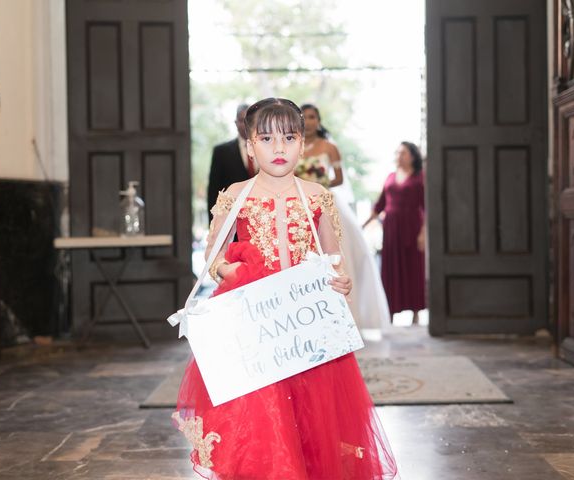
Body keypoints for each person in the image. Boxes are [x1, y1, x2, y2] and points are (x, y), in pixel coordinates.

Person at [173, 98, 398, 479]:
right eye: (266, 138)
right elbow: (214, 257)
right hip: (256, 322)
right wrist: (233, 273)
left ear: (302, 144)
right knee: (263, 414)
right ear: (250, 145)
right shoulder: (235, 196)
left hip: (304, 323)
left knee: (315, 415)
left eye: (289, 137)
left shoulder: (316, 196)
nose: (279, 148)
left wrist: (338, 279)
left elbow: (333, 256)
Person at [296, 103, 391, 331]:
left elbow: (338, 178)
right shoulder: (293, 146)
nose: (308, 121)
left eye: (312, 117)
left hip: (326, 202)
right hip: (299, 204)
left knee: (339, 254)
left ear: (318, 121)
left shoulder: (329, 148)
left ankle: (346, 314)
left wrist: (319, 185)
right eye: (304, 117)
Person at [364, 142, 426, 325]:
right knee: (390, 270)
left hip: (412, 227)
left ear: (413, 156)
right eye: (398, 152)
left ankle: (416, 313)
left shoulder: (420, 177)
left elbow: (427, 206)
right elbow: (379, 204)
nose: (399, 155)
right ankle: (390, 313)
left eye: (403, 152)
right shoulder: (390, 176)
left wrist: (423, 233)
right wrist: (362, 225)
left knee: (413, 268)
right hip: (391, 229)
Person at [206, 103, 256, 221]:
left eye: (250, 120)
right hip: (231, 219)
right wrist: (214, 223)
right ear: (235, 123)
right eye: (242, 120)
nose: (246, 125)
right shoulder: (221, 152)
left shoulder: (266, 148)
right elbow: (214, 190)